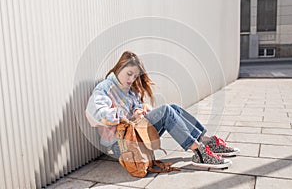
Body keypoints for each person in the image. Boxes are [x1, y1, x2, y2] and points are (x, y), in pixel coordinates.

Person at [85, 51, 240, 169]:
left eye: (135, 76)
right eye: (129, 74)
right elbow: (94, 114)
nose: (131, 79)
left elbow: (137, 109)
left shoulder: (129, 90)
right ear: (119, 68)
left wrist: (142, 110)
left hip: (137, 136)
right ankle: (199, 152)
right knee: (166, 110)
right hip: (122, 145)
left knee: (173, 108)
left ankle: (206, 141)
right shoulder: (105, 88)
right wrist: (128, 116)